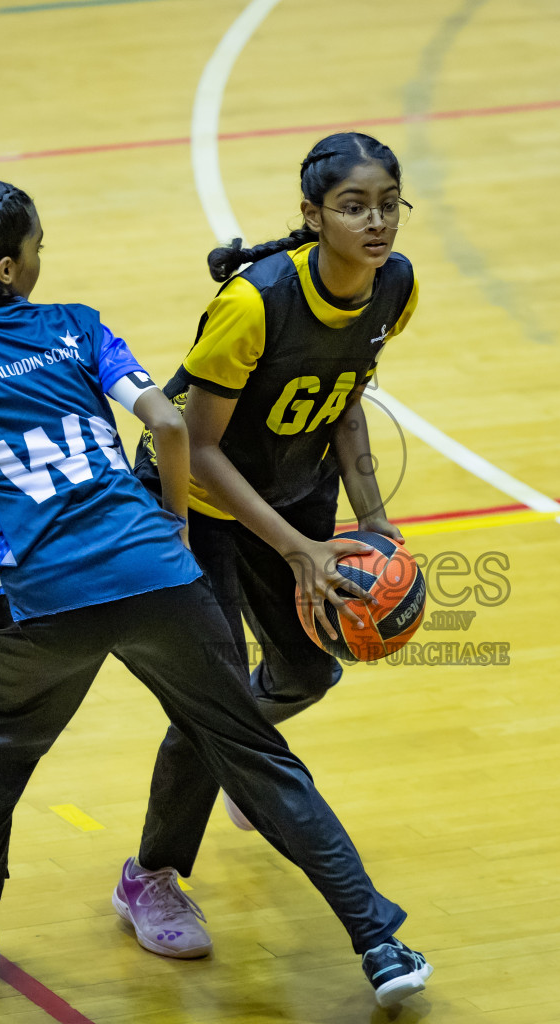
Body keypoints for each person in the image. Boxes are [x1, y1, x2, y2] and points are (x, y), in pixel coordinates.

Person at [0, 178, 432, 1009]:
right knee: (254, 755)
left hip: (44, 596)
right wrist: (172, 528)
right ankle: (380, 942)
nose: (41, 261)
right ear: (10, 266)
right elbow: (169, 425)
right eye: (37, 249)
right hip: (157, 574)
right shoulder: (76, 325)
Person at [133, 132, 417, 831]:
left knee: (307, 673)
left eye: (388, 205)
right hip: (193, 498)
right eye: (354, 208)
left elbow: (345, 397)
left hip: (292, 485)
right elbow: (198, 448)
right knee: (217, 696)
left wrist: (372, 517)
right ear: (313, 215)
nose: (375, 222)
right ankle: (154, 875)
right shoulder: (255, 303)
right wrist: (297, 549)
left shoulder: (396, 287)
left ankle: (240, 756)